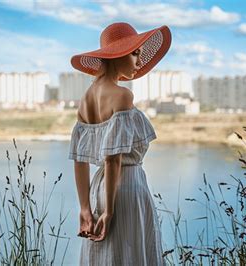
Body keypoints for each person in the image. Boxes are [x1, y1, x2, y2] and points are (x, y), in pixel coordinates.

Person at [68, 22, 172, 265]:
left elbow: (80, 159)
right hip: (125, 188)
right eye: (135, 53)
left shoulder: (85, 100)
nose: (140, 60)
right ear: (117, 55)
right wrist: (110, 211)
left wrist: (85, 207)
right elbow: (112, 158)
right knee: (132, 254)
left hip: (99, 188)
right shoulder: (123, 95)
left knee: (105, 256)